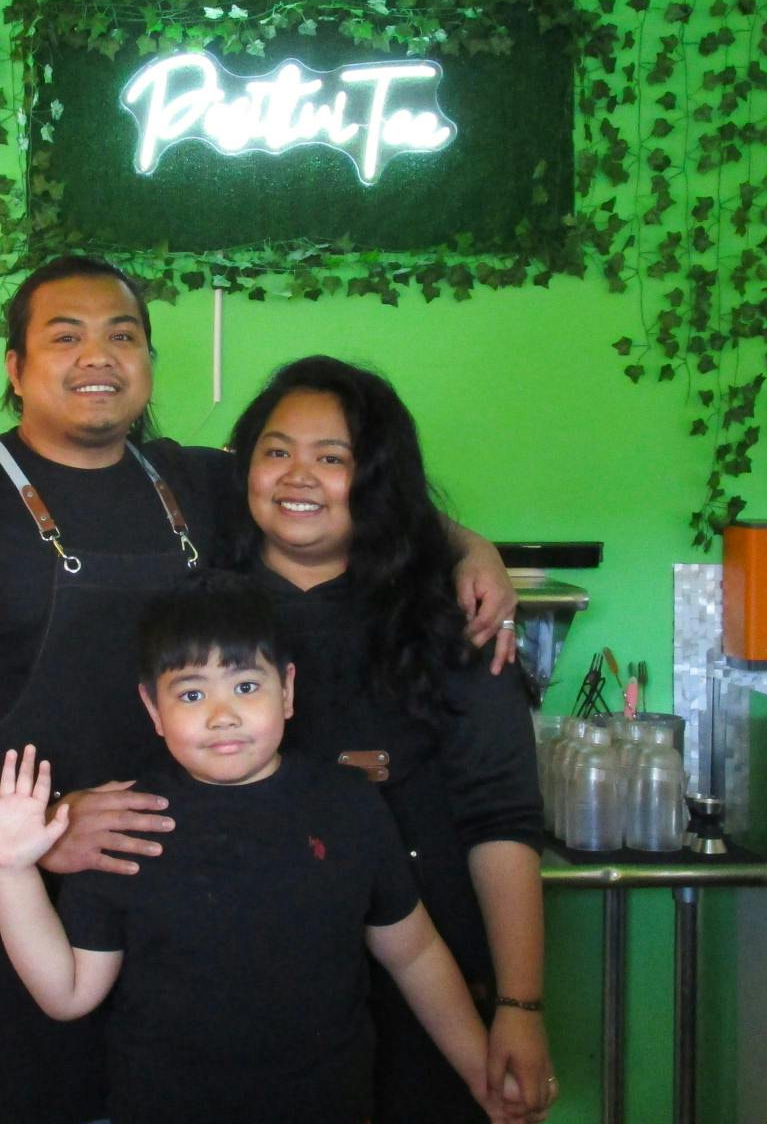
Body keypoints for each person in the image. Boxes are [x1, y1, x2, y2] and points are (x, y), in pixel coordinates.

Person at [0, 255, 519, 1124]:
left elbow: (346, 494)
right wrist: (35, 832)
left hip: (189, 958)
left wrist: (472, 548)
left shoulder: (194, 484)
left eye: (123, 335)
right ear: (15, 368)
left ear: (149, 362)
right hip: (15, 938)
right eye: (66, 336)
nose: (100, 355)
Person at [0, 572, 521, 1124]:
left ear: (286, 691)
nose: (222, 715)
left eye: (245, 686)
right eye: (192, 693)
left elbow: (414, 954)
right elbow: (66, 994)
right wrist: (10, 868)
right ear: (152, 709)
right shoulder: (124, 824)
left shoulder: (349, 807)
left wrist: (482, 1072)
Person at [226, 355, 559, 1123]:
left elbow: (501, 819)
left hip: (432, 1005)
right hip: (248, 1000)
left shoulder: (453, 622)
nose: (297, 476)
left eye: (332, 458)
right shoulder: (202, 615)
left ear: (375, 479)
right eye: (276, 452)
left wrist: (521, 1006)